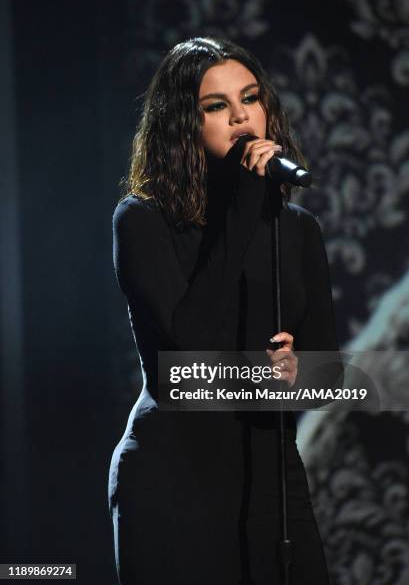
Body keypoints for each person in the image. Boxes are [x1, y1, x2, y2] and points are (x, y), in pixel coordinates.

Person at [108, 37, 340, 585]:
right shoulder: (142, 221)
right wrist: (243, 201)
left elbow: (327, 375)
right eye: (216, 106)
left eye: (251, 98)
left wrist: (296, 371)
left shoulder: (298, 229)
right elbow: (188, 349)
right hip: (175, 476)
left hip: (272, 476)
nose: (241, 116)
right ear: (183, 123)